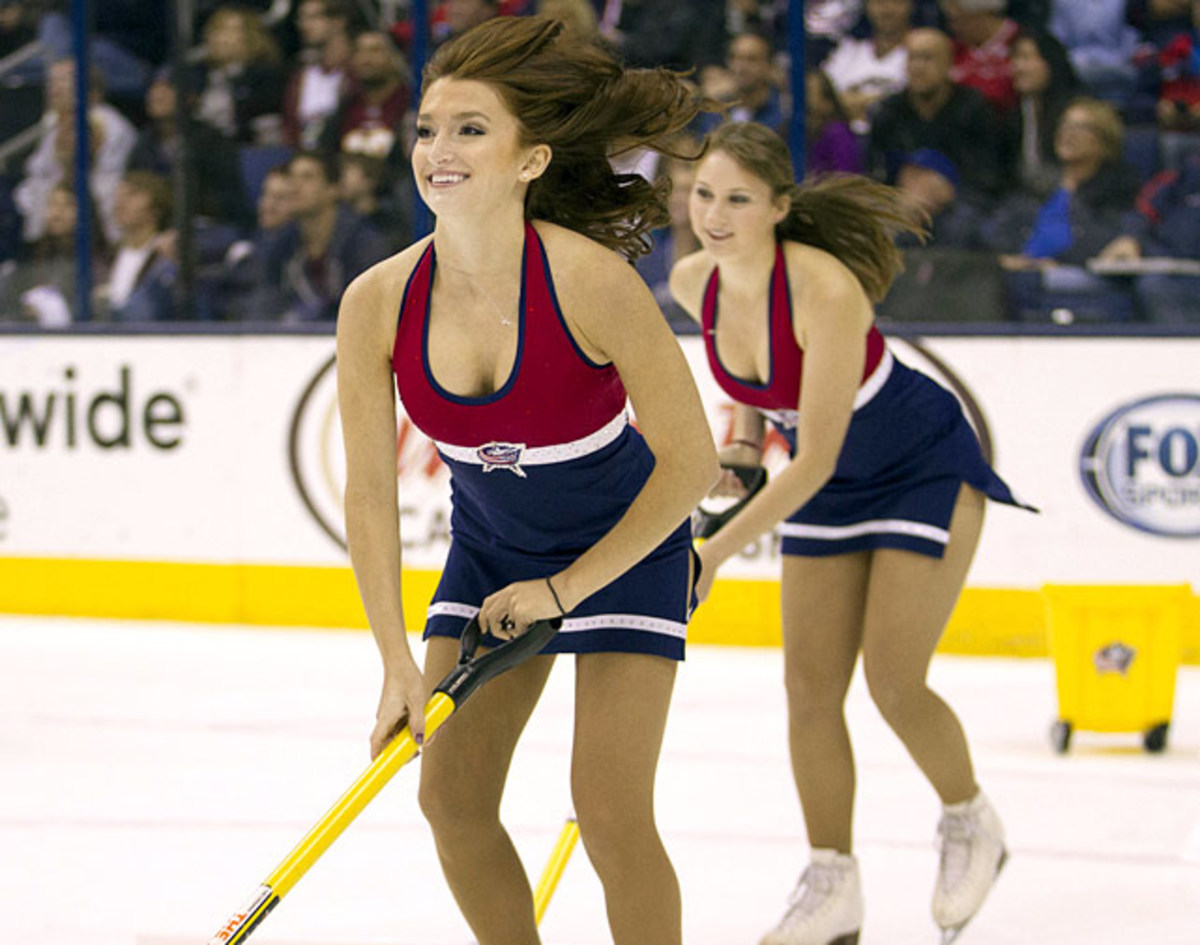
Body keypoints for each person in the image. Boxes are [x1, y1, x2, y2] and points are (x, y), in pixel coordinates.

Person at [335, 17, 719, 945]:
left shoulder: (590, 281)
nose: (438, 149)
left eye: (471, 129)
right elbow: (370, 496)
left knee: (610, 809)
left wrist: (562, 590)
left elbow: (694, 463)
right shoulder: (377, 300)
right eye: (428, 128)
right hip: (489, 552)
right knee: (449, 799)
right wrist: (393, 656)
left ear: (531, 158)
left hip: (627, 549)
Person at [669, 121, 1033, 945]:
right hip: (827, 482)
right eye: (701, 195)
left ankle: (972, 818)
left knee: (893, 681)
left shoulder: (825, 286)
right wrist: (742, 445)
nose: (713, 215)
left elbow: (819, 457)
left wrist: (714, 551)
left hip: (919, 464)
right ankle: (832, 882)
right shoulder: (695, 280)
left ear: (779, 207)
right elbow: (758, 389)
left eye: (737, 199)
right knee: (807, 693)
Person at [867, 27, 1012, 200]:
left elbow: (989, 174)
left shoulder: (973, 107)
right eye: (912, 58)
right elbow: (876, 174)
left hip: (963, 202)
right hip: (903, 203)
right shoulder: (888, 112)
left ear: (949, 63)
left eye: (927, 58)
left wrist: (941, 187)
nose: (918, 67)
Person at [822, 0, 915, 134]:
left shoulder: (920, 52)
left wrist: (851, 101)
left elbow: (916, 103)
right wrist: (880, 99)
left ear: (910, 5)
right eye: (878, 2)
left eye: (896, 2)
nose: (887, 9)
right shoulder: (848, 51)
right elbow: (825, 99)